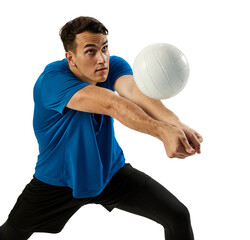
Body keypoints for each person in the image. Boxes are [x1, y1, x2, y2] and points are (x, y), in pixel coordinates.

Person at [0, 16, 202, 240]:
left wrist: (176, 124)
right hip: (58, 181)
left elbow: (136, 94)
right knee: (11, 234)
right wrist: (162, 132)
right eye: (90, 51)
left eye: (104, 48)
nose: (102, 59)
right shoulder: (52, 80)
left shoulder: (113, 65)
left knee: (177, 215)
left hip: (109, 172)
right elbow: (112, 104)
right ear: (71, 58)